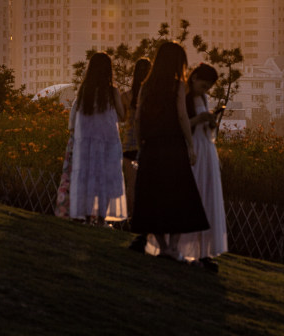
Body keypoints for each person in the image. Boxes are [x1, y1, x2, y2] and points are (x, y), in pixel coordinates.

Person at [130, 41, 209, 260]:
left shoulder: (147, 85)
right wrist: (190, 145)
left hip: (151, 146)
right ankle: (173, 248)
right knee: (179, 196)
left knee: (152, 197)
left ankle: (164, 247)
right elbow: (182, 117)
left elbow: (137, 119)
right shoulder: (177, 86)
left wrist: (141, 144)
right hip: (173, 147)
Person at [67, 51, 127, 226]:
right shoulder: (112, 91)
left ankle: (86, 216)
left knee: (87, 177)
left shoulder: (84, 90)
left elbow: (77, 115)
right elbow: (122, 116)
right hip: (108, 141)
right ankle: (101, 218)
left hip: (86, 143)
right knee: (107, 178)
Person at [178, 63, 228, 272]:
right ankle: (182, 248)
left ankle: (203, 251)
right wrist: (200, 118)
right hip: (194, 150)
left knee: (208, 198)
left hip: (206, 149)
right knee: (194, 196)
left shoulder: (202, 98)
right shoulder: (185, 97)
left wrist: (210, 121)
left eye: (208, 87)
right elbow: (181, 124)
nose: (204, 90)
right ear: (194, 77)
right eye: (203, 85)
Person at [121, 57, 151, 216]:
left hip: (128, 144)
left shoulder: (125, 96)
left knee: (130, 184)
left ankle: (130, 217)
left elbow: (122, 118)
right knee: (146, 184)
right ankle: (142, 217)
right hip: (146, 144)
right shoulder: (152, 96)